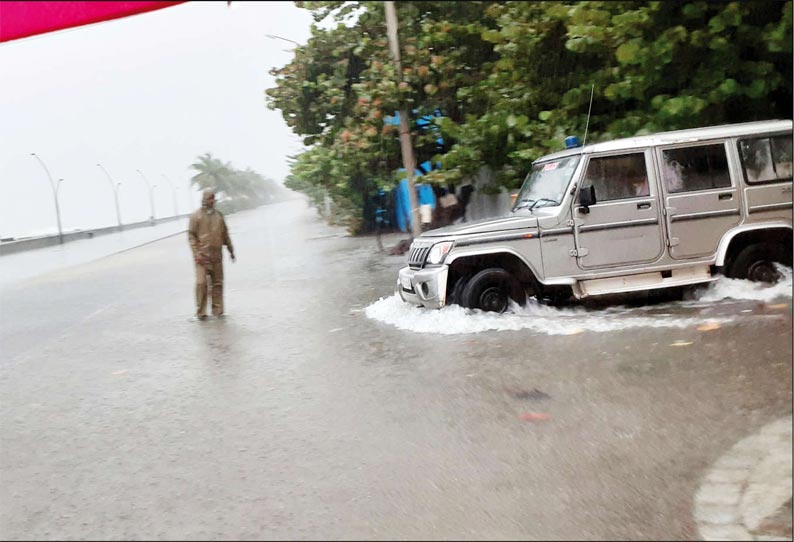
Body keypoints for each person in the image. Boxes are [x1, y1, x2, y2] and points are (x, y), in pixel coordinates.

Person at [188, 189, 235, 320]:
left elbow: (225, 234)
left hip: (216, 256)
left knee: (218, 283)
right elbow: (191, 235)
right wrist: (196, 253)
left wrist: (231, 250)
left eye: (213, 198)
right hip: (202, 257)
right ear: (204, 199)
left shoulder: (219, 216)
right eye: (210, 198)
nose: (212, 201)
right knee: (201, 283)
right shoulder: (195, 216)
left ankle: (218, 310)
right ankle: (201, 312)